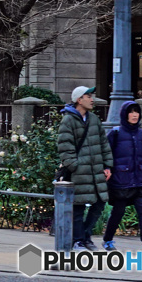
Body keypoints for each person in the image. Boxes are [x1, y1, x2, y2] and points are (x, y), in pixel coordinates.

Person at [57, 85, 113, 251]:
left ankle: (85, 236)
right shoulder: (68, 120)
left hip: (96, 171)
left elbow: (104, 143)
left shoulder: (94, 119)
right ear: (79, 99)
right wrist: (75, 166)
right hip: (79, 173)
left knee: (99, 203)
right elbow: (65, 147)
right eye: (88, 96)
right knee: (79, 207)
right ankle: (78, 241)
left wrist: (107, 165)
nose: (92, 99)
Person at [103, 101, 142, 251]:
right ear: (125, 114)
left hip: (139, 180)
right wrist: (107, 168)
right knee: (118, 212)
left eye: (136, 112)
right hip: (121, 180)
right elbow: (107, 154)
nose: (134, 115)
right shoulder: (115, 133)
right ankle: (107, 240)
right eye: (131, 112)